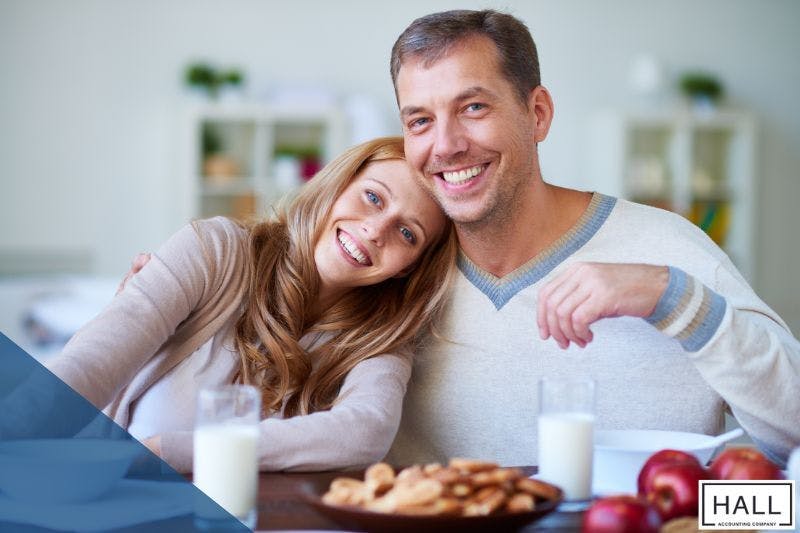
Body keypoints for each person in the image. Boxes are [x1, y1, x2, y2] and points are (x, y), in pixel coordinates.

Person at [383, 9, 800, 468]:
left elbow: (794, 433)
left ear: (537, 114)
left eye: (473, 107)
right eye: (420, 120)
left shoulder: (670, 249)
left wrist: (672, 297)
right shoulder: (397, 270)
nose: (445, 145)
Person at [45, 136, 457, 473]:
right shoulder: (215, 251)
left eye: (407, 233)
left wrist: (168, 451)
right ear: (336, 186)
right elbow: (85, 367)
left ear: (409, 268)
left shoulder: (382, 338)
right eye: (373, 197)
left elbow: (366, 431)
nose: (375, 229)